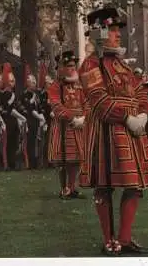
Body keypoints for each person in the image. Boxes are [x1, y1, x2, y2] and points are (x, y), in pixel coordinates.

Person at [78, 8, 148, 256]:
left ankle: (124, 238)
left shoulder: (122, 66)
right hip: (107, 131)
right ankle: (108, 240)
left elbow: (141, 92)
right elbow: (99, 100)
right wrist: (127, 117)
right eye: (112, 31)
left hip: (131, 132)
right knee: (104, 186)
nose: (117, 35)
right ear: (100, 33)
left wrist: (143, 115)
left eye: (117, 31)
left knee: (135, 185)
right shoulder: (91, 65)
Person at [47, 50, 87, 199]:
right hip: (64, 126)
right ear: (62, 68)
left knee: (76, 159)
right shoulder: (55, 86)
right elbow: (56, 106)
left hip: (79, 126)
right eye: (69, 66)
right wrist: (72, 119)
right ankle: (64, 188)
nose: (72, 68)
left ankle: (73, 187)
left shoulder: (79, 85)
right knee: (63, 159)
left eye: (73, 65)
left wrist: (83, 118)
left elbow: (87, 103)